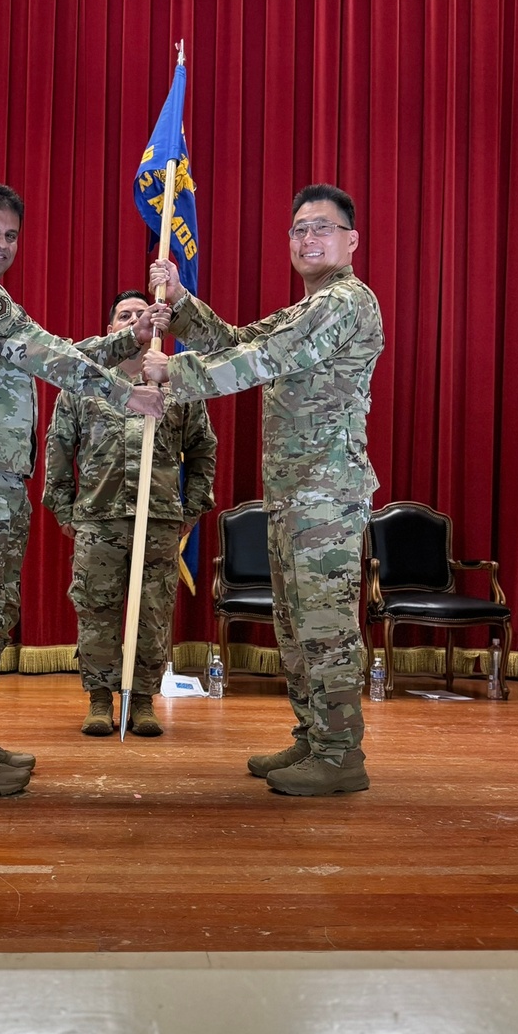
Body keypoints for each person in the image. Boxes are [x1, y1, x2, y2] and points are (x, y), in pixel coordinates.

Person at [0, 184, 164, 798]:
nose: (0, 243)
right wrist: (124, 390)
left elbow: (47, 353)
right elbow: (44, 351)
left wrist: (123, 343)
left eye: (10, 234)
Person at [142, 183, 384, 797]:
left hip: (327, 496)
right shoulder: (307, 306)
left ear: (351, 241)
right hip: (296, 494)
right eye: (299, 228)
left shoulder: (347, 302)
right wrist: (183, 300)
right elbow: (239, 340)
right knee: (297, 624)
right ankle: (312, 737)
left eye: (322, 228)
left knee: (325, 626)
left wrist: (177, 371)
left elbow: (264, 360)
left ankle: (339, 755)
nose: (308, 238)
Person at [42, 290, 217, 737]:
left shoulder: (178, 384)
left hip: (157, 520)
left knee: (153, 613)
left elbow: (203, 451)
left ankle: (142, 701)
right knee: (97, 611)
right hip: (99, 519)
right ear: (110, 329)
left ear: (158, 324)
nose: (135, 319)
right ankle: (99, 699)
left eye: (143, 313)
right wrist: (65, 510)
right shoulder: (84, 384)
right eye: (125, 314)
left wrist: (192, 509)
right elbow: (59, 449)